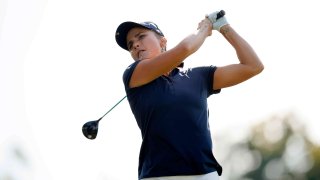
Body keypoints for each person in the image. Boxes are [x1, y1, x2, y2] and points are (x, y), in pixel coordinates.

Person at [115, 10, 264, 180]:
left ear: (162, 41)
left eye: (141, 36)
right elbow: (186, 48)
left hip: (206, 174)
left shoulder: (198, 76)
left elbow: (253, 66)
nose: (134, 45)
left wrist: (224, 27)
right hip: (159, 176)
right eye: (130, 44)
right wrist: (205, 29)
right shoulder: (133, 74)